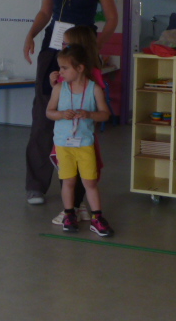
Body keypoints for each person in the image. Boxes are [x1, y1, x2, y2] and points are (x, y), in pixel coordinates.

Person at [23, 0, 118, 205]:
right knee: (44, 114)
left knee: (80, 116)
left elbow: (112, 18)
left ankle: (76, 190)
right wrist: (30, 34)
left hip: (82, 52)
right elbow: (45, 11)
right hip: (53, 51)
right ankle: (36, 185)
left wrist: (94, 48)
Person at [45, 44, 113, 236]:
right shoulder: (59, 89)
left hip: (84, 144)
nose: (60, 72)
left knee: (90, 182)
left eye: (65, 68)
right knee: (68, 181)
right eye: (60, 67)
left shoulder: (94, 89)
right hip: (63, 144)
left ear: (80, 68)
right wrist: (60, 114)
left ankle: (97, 217)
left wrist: (90, 114)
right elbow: (49, 112)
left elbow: (105, 114)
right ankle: (69, 214)